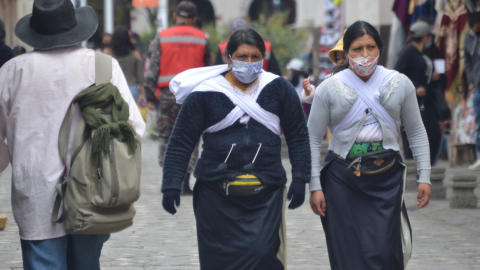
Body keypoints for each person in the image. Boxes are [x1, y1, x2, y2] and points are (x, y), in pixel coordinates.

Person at [0, 1, 145, 269]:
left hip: (36, 193)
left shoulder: (13, 72)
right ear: (76, 27)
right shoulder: (104, 66)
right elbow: (134, 130)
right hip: (95, 190)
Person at [161, 28, 310, 269]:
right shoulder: (205, 93)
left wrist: (300, 177)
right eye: (242, 57)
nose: (249, 62)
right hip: (215, 194)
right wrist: (171, 184)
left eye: (255, 57)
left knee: (262, 255)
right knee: (218, 263)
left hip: (266, 192)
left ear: (263, 58)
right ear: (229, 59)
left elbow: (298, 136)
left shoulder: (279, 89)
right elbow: (181, 142)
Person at [308, 21, 431, 269]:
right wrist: (314, 185)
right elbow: (312, 137)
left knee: (385, 252)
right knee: (348, 252)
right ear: (346, 54)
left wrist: (424, 176)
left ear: (380, 49)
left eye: (371, 47)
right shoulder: (329, 88)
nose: (365, 55)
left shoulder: (400, 83)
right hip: (341, 179)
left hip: (385, 176)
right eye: (357, 49)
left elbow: (416, 131)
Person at [144, 1, 210, 195]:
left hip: (168, 95)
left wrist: (149, 94)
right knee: (191, 136)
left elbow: (152, 68)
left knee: (167, 136)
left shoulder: (162, 37)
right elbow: (207, 68)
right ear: (194, 18)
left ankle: (169, 179)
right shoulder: (202, 38)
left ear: (175, 16)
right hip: (195, 96)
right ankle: (184, 183)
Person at [395, 20, 442, 165]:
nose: (430, 40)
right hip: (412, 102)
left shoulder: (423, 52)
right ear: (425, 37)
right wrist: (414, 87)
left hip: (426, 102)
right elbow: (397, 75)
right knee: (413, 137)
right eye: (429, 37)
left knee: (434, 134)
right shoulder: (408, 51)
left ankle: (426, 166)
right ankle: (413, 170)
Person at [215, 18, 281, 76]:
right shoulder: (222, 47)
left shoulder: (222, 47)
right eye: (241, 56)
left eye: (255, 56)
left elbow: (275, 73)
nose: (249, 62)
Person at [301, 30, 348, 104]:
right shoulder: (331, 80)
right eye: (338, 58)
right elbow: (320, 98)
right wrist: (309, 91)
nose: (341, 61)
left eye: (344, 57)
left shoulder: (362, 78)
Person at [111, 26, 144, 103]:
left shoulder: (109, 59)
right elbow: (140, 78)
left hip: (114, 90)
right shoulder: (134, 58)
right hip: (132, 89)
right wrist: (143, 95)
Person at [464, 12, 480, 170]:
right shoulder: (468, 38)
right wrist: (471, 80)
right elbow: (467, 61)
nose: (476, 30)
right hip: (477, 87)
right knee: (478, 123)